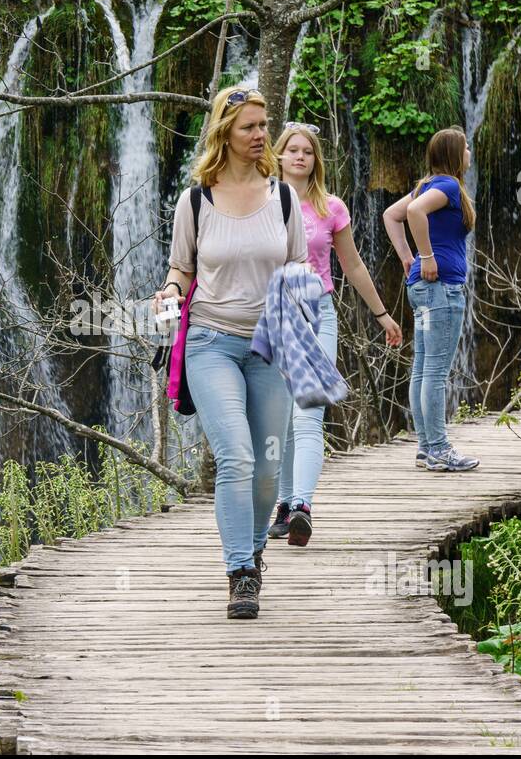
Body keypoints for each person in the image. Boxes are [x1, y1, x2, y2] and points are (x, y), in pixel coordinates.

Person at [152, 85, 307, 619]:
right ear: (225, 131)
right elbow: (182, 268)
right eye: (250, 126)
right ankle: (241, 571)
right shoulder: (196, 199)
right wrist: (171, 292)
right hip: (210, 341)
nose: (261, 134)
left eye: (265, 124)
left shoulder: (283, 197)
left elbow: (298, 269)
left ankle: (257, 550)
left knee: (267, 469)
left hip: (270, 346)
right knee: (236, 457)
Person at [267, 122, 403, 546]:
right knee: (281, 419)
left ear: (315, 160)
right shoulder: (262, 202)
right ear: (280, 156)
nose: (300, 156)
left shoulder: (332, 208)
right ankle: (285, 503)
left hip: (318, 314)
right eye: (293, 150)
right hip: (275, 316)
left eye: (307, 151)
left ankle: (302, 507)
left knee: (309, 414)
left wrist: (381, 313)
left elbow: (354, 265)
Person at [382, 126, 480, 472]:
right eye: (466, 148)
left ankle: (426, 448)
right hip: (441, 290)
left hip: (422, 290)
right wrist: (424, 256)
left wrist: (407, 257)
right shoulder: (449, 186)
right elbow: (412, 214)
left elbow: (390, 215)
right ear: (455, 155)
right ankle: (439, 448)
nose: (470, 153)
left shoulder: (426, 185)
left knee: (423, 368)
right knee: (435, 372)